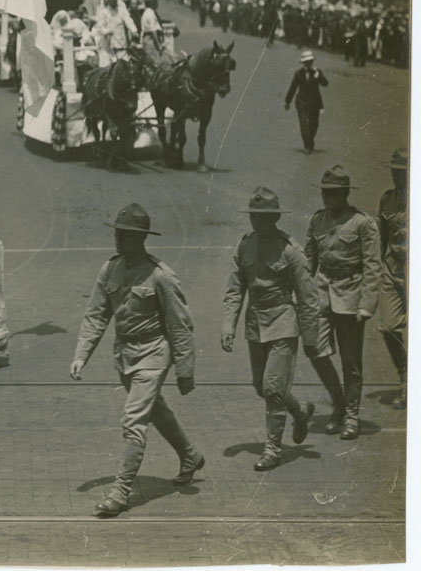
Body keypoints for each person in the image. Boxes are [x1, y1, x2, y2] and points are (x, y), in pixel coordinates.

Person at [70, 204, 203, 518]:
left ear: (141, 238)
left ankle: (120, 492)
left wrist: (185, 371)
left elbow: (180, 326)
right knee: (155, 409)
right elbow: (96, 315)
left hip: (154, 354)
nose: (119, 239)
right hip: (125, 356)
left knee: (133, 420)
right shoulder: (110, 269)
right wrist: (81, 355)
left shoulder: (161, 276)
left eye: (126, 235)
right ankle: (190, 455)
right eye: (117, 233)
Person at [221, 187, 321, 471]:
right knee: (261, 387)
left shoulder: (290, 250)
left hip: (283, 322)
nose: (258, 222)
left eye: (263, 217)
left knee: (273, 388)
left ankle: (272, 450)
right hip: (255, 324)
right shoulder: (244, 245)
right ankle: (300, 411)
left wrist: (311, 338)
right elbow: (234, 290)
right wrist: (227, 327)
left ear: (275, 217)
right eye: (254, 216)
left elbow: (307, 296)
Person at [303, 166, 381, 440]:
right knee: (314, 348)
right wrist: (302, 297)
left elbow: (373, 266)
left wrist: (366, 305)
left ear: (345, 194)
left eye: (333, 194)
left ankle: (351, 416)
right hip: (322, 293)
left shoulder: (362, 223)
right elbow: (308, 262)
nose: (327, 198)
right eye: (325, 193)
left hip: (350, 296)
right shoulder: (317, 221)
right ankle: (338, 400)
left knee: (351, 361)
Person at [377, 148, 408, 409]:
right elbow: (382, 237)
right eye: (395, 172)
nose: (398, 177)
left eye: (404, 172)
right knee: (388, 327)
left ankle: (408, 387)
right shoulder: (387, 200)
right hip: (392, 268)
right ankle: (405, 376)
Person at [284, 50, 328, 154]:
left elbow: (325, 83)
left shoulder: (318, 72)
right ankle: (307, 145)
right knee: (303, 123)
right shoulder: (298, 74)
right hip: (301, 102)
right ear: (303, 63)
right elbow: (293, 88)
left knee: (314, 124)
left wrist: (317, 74)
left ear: (312, 61)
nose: (308, 64)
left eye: (310, 61)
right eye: (306, 62)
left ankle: (310, 141)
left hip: (315, 102)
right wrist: (287, 102)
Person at [93, 0, 137, 68]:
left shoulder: (121, 11)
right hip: (107, 43)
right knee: (106, 66)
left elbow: (128, 20)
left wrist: (134, 30)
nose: (114, 2)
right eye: (112, 0)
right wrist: (108, 31)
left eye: (115, 0)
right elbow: (100, 27)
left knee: (124, 64)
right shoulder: (104, 12)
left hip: (120, 41)